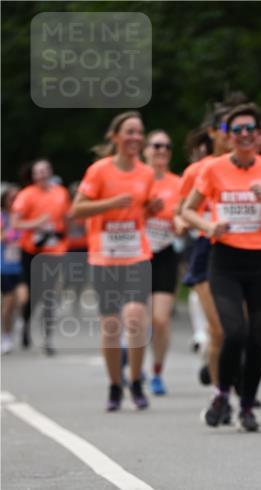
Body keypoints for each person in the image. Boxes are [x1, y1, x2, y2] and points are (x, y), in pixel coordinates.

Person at [184, 101, 261, 431]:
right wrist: (208, 226)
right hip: (225, 262)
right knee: (235, 332)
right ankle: (220, 394)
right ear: (228, 136)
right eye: (237, 129)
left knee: (256, 339)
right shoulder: (212, 169)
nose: (244, 134)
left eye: (250, 129)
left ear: (259, 135)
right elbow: (187, 210)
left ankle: (246, 406)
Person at [72, 111, 161, 412]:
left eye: (139, 132)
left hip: (136, 255)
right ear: (115, 137)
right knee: (111, 326)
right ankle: (114, 385)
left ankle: (135, 380)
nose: (136, 137)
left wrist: (152, 208)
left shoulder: (146, 173)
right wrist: (110, 203)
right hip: (105, 257)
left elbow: (141, 211)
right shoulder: (99, 171)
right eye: (130, 132)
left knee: (135, 318)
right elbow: (77, 210)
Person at [177, 111, 229, 389]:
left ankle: (233, 377)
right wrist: (186, 223)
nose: (235, 134)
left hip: (245, 250)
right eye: (228, 127)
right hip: (206, 248)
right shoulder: (197, 170)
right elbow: (180, 212)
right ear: (213, 132)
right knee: (218, 328)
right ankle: (221, 394)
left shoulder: (254, 167)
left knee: (239, 328)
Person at [10, 159, 70, 353]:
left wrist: (62, 233)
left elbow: (66, 219)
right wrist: (37, 223)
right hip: (31, 252)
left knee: (50, 295)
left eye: (45, 170)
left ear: (50, 172)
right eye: (39, 172)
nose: (43, 174)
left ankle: (48, 338)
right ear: (33, 175)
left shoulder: (61, 193)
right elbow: (16, 223)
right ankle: (25, 324)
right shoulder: (26, 195)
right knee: (30, 296)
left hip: (54, 251)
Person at [143, 129, 183, 395]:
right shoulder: (136, 179)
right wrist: (146, 211)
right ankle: (130, 358)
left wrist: (180, 224)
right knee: (138, 318)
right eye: (156, 146)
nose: (162, 151)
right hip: (135, 254)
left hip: (165, 253)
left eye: (167, 147)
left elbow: (182, 215)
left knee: (160, 320)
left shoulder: (177, 183)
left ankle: (156, 372)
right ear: (146, 150)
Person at [1, 184, 24, 354]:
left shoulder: (23, 215)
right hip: (5, 266)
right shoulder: (2, 216)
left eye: (17, 198)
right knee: (8, 304)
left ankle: (19, 320)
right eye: (12, 198)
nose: (15, 201)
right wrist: (11, 230)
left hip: (21, 264)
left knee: (23, 299)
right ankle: (7, 337)